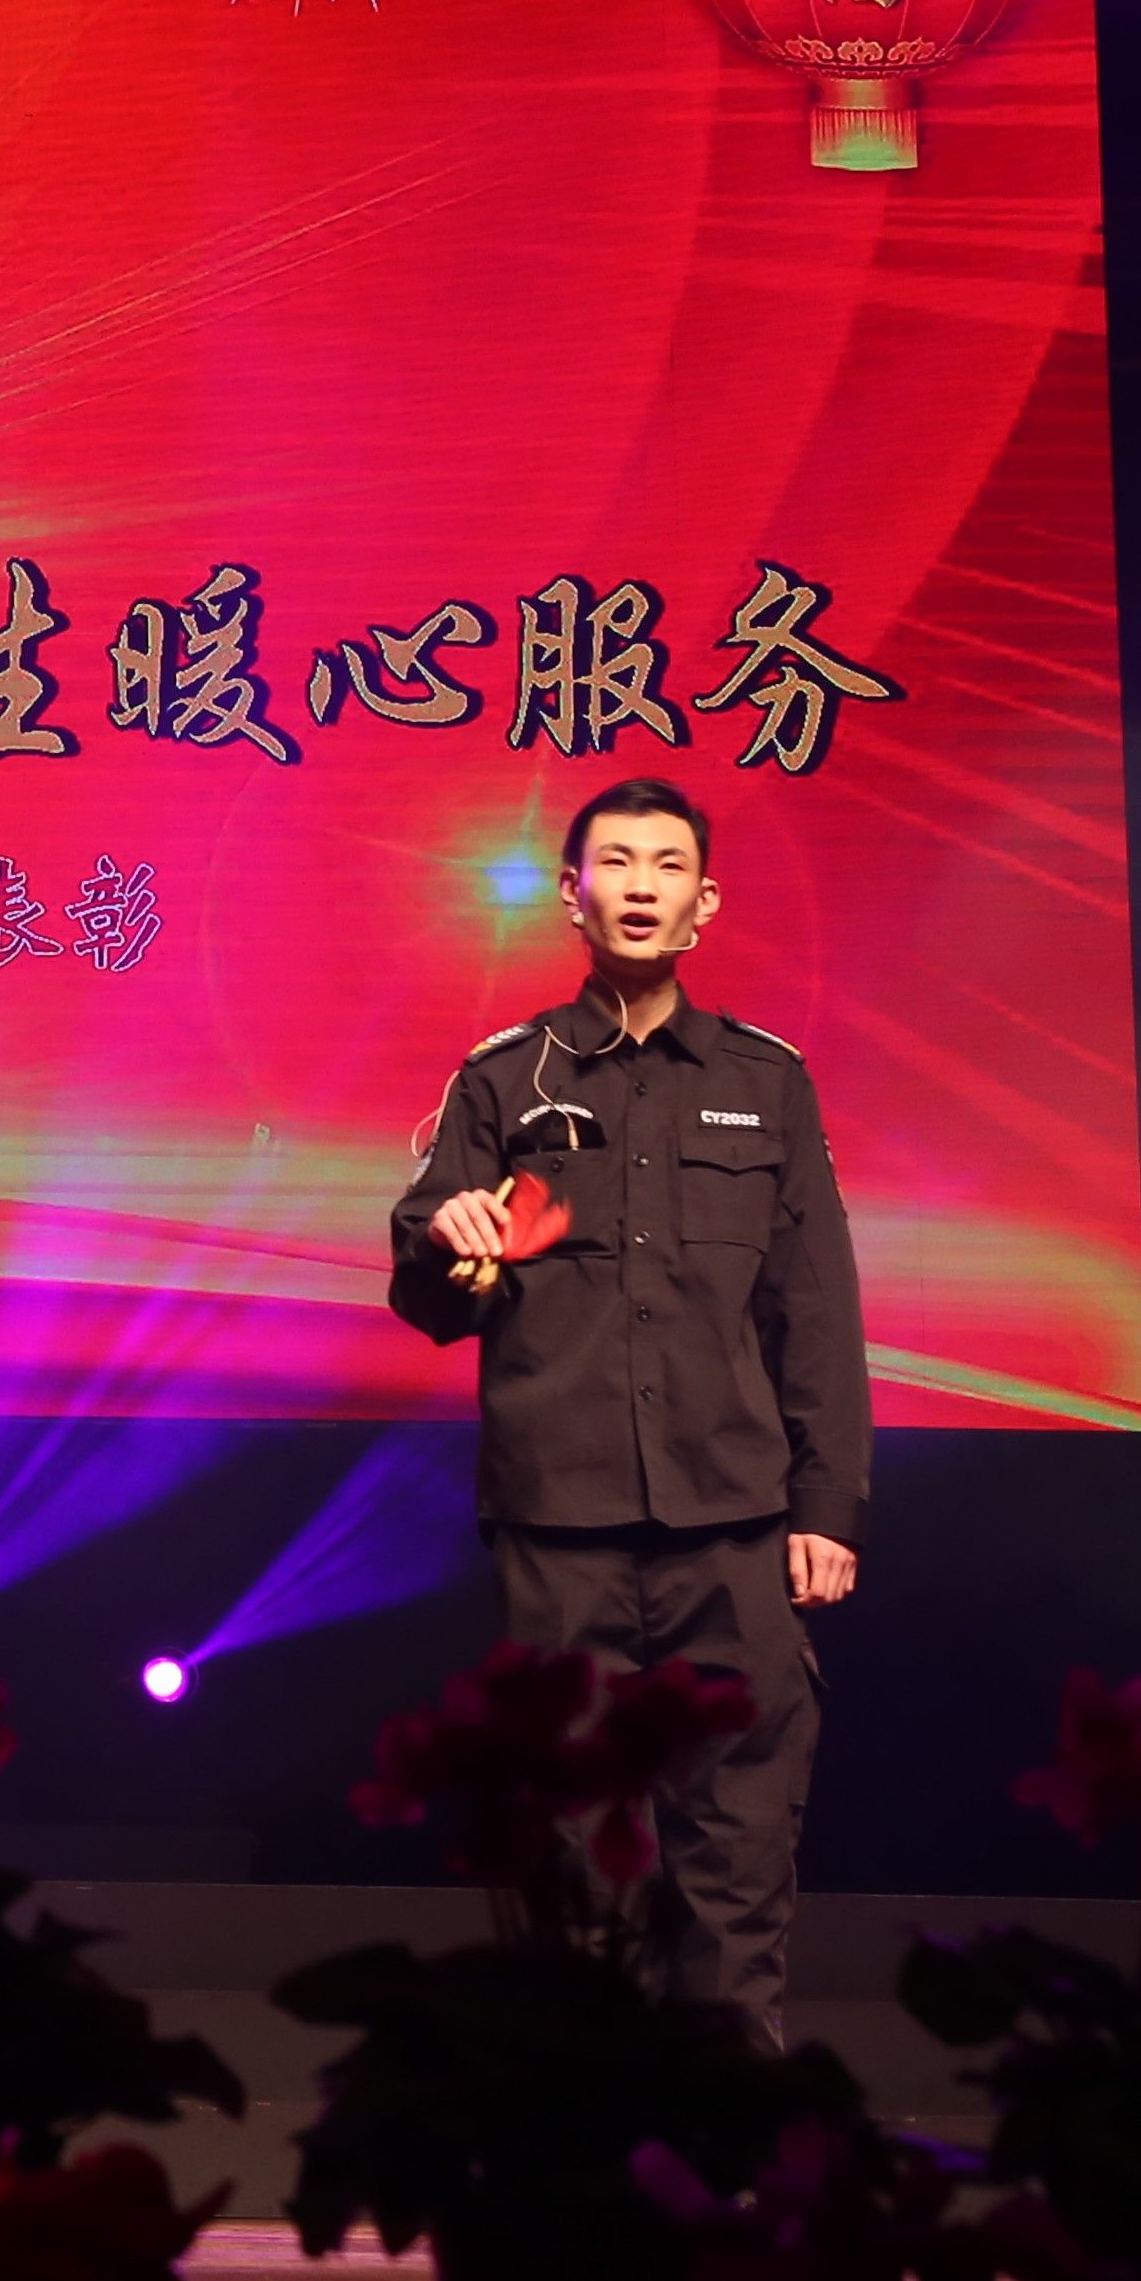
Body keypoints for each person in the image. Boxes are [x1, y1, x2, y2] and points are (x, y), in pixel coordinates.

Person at [387, 775, 868, 2042]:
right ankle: (589, 2124)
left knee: (740, 1850)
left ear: (704, 904)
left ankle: (733, 2126)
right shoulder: (502, 1079)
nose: (641, 886)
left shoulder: (769, 1081)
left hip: (734, 1527)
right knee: (574, 1848)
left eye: (668, 866)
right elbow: (430, 1297)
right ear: (573, 894)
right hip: (562, 1527)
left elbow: (815, 1308)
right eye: (616, 862)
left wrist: (827, 1507)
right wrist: (448, 1239)